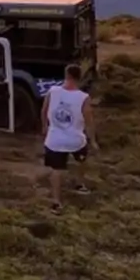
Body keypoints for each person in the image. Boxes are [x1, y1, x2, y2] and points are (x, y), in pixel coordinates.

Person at [43, 64, 97, 214]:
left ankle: (56, 202)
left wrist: (44, 126)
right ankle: (80, 185)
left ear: (66, 75)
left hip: (54, 140)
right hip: (75, 140)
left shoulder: (52, 91)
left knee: (56, 170)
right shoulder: (83, 98)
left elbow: (44, 110)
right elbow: (89, 121)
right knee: (81, 159)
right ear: (79, 78)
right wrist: (92, 140)